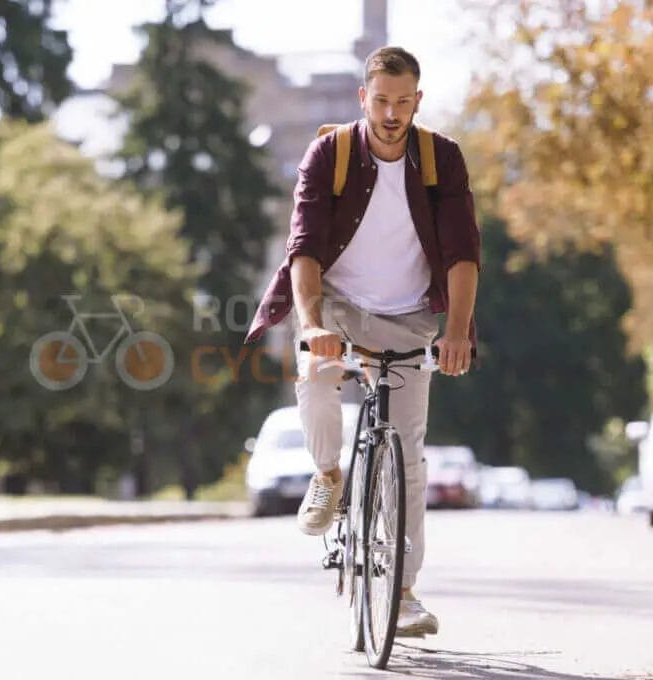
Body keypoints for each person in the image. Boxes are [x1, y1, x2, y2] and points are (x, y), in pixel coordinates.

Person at [244, 46, 481, 637]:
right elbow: (304, 249)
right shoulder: (331, 154)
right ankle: (329, 476)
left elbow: (463, 252)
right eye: (381, 101)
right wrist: (312, 325)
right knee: (316, 374)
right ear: (363, 98)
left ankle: (402, 594)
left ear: (418, 101)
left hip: (410, 315)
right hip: (338, 306)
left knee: (410, 455)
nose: (391, 114)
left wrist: (456, 332)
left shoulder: (442, 158)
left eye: (403, 102)